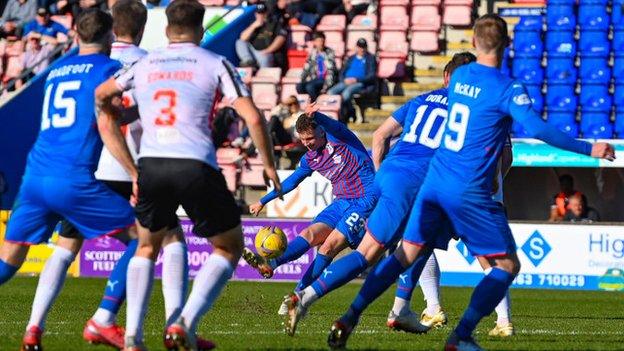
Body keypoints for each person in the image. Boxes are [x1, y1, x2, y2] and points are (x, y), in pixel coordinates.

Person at [284, 14, 615, 350]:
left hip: (414, 180)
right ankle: (463, 335)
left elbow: (386, 133)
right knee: (505, 265)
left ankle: (343, 309)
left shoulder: (457, 82)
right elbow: (538, 130)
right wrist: (589, 147)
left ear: (472, 43)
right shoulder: (506, 88)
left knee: (397, 252)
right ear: (507, 45)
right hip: (461, 187)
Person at [95, 1, 281, 349]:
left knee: (146, 247)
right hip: (194, 164)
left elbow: (103, 94)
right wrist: (269, 165)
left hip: (151, 163)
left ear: (167, 30)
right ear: (200, 30)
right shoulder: (214, 62)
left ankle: (133, 337)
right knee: (228, 246)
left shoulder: (145, 62)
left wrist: (116, 114)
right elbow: (253, 117)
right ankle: (183, 323)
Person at [278, 52, 474, 337]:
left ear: (446, 77)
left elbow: (381, 135)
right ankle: (399, 309)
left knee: (367, 252)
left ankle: (304, 296)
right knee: (418, 245)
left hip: (388, 175)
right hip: (419, 182)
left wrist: (382, 174)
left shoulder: (421, 101)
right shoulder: (469, 111)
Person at [0, 9, 140, 351]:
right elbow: (107, 124)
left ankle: (34, 331)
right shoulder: (109, 69)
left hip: (34, 176)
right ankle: (104, 318)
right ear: (110, 37)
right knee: (147, 235)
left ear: (76, 36)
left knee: (7, 262)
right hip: (73, 179)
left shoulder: (55, 70)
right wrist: (136, 174)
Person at [242, 108, 378, 306]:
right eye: (303, 140)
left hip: (366, 200)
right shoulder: (310, 158)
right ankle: (271, 264)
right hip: (340, 203)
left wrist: (317, 115)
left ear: (322, 131)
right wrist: (263, 201)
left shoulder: (341, 139)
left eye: (310, 139)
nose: (306, 144)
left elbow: (332, 124)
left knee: (328, 246)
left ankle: (298, 297)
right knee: (309, 235)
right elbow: (292, 182)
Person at [411, 137, 515, 337]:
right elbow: (507, 157)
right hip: (489, 199)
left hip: (456, 194)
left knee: (419, 245)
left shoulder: (466, 110)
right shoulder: (502, 111)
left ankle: (433, 308)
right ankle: (504, 321)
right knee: (492, 261)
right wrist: (496, 183)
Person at [327, 38, 376, 123]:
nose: (362, 49)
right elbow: (342, 71)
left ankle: (347, 113)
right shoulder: (351, 58)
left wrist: (356, 79)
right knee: (331, 93)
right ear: (356, 47)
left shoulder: (370, 58)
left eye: (363, 47)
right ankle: (347, 111)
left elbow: (371, 75)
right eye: (360, 47)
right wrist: (343, 79)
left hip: (360, 82)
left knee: (346, 94)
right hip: (346, 81)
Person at [235, 2, 287, 68]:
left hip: (268, 53)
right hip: (254, 53)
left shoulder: (275, 23)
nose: (261, 15)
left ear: (267, 13)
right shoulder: (253, 23)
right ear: (255, 14)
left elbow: (281, 39)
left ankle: (263, 74)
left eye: (263, 13)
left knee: (264, 57)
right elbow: (243, 38)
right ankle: (248, 62)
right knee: (239, 42)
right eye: (259, 13)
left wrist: (267, 51)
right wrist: (254, 26)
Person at [296, 31, 337, 100]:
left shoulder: (329, 52)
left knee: (310, 87)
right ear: (314, 42)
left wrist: (327, 86)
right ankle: (307, 102)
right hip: (314, 78)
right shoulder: (312, 53)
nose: (321, 43)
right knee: (299, 86)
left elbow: (331, 69)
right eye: (318, 41)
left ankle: (314, 104)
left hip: (324, 79)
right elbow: (306, 67)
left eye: (322, 41)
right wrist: (302, 79)